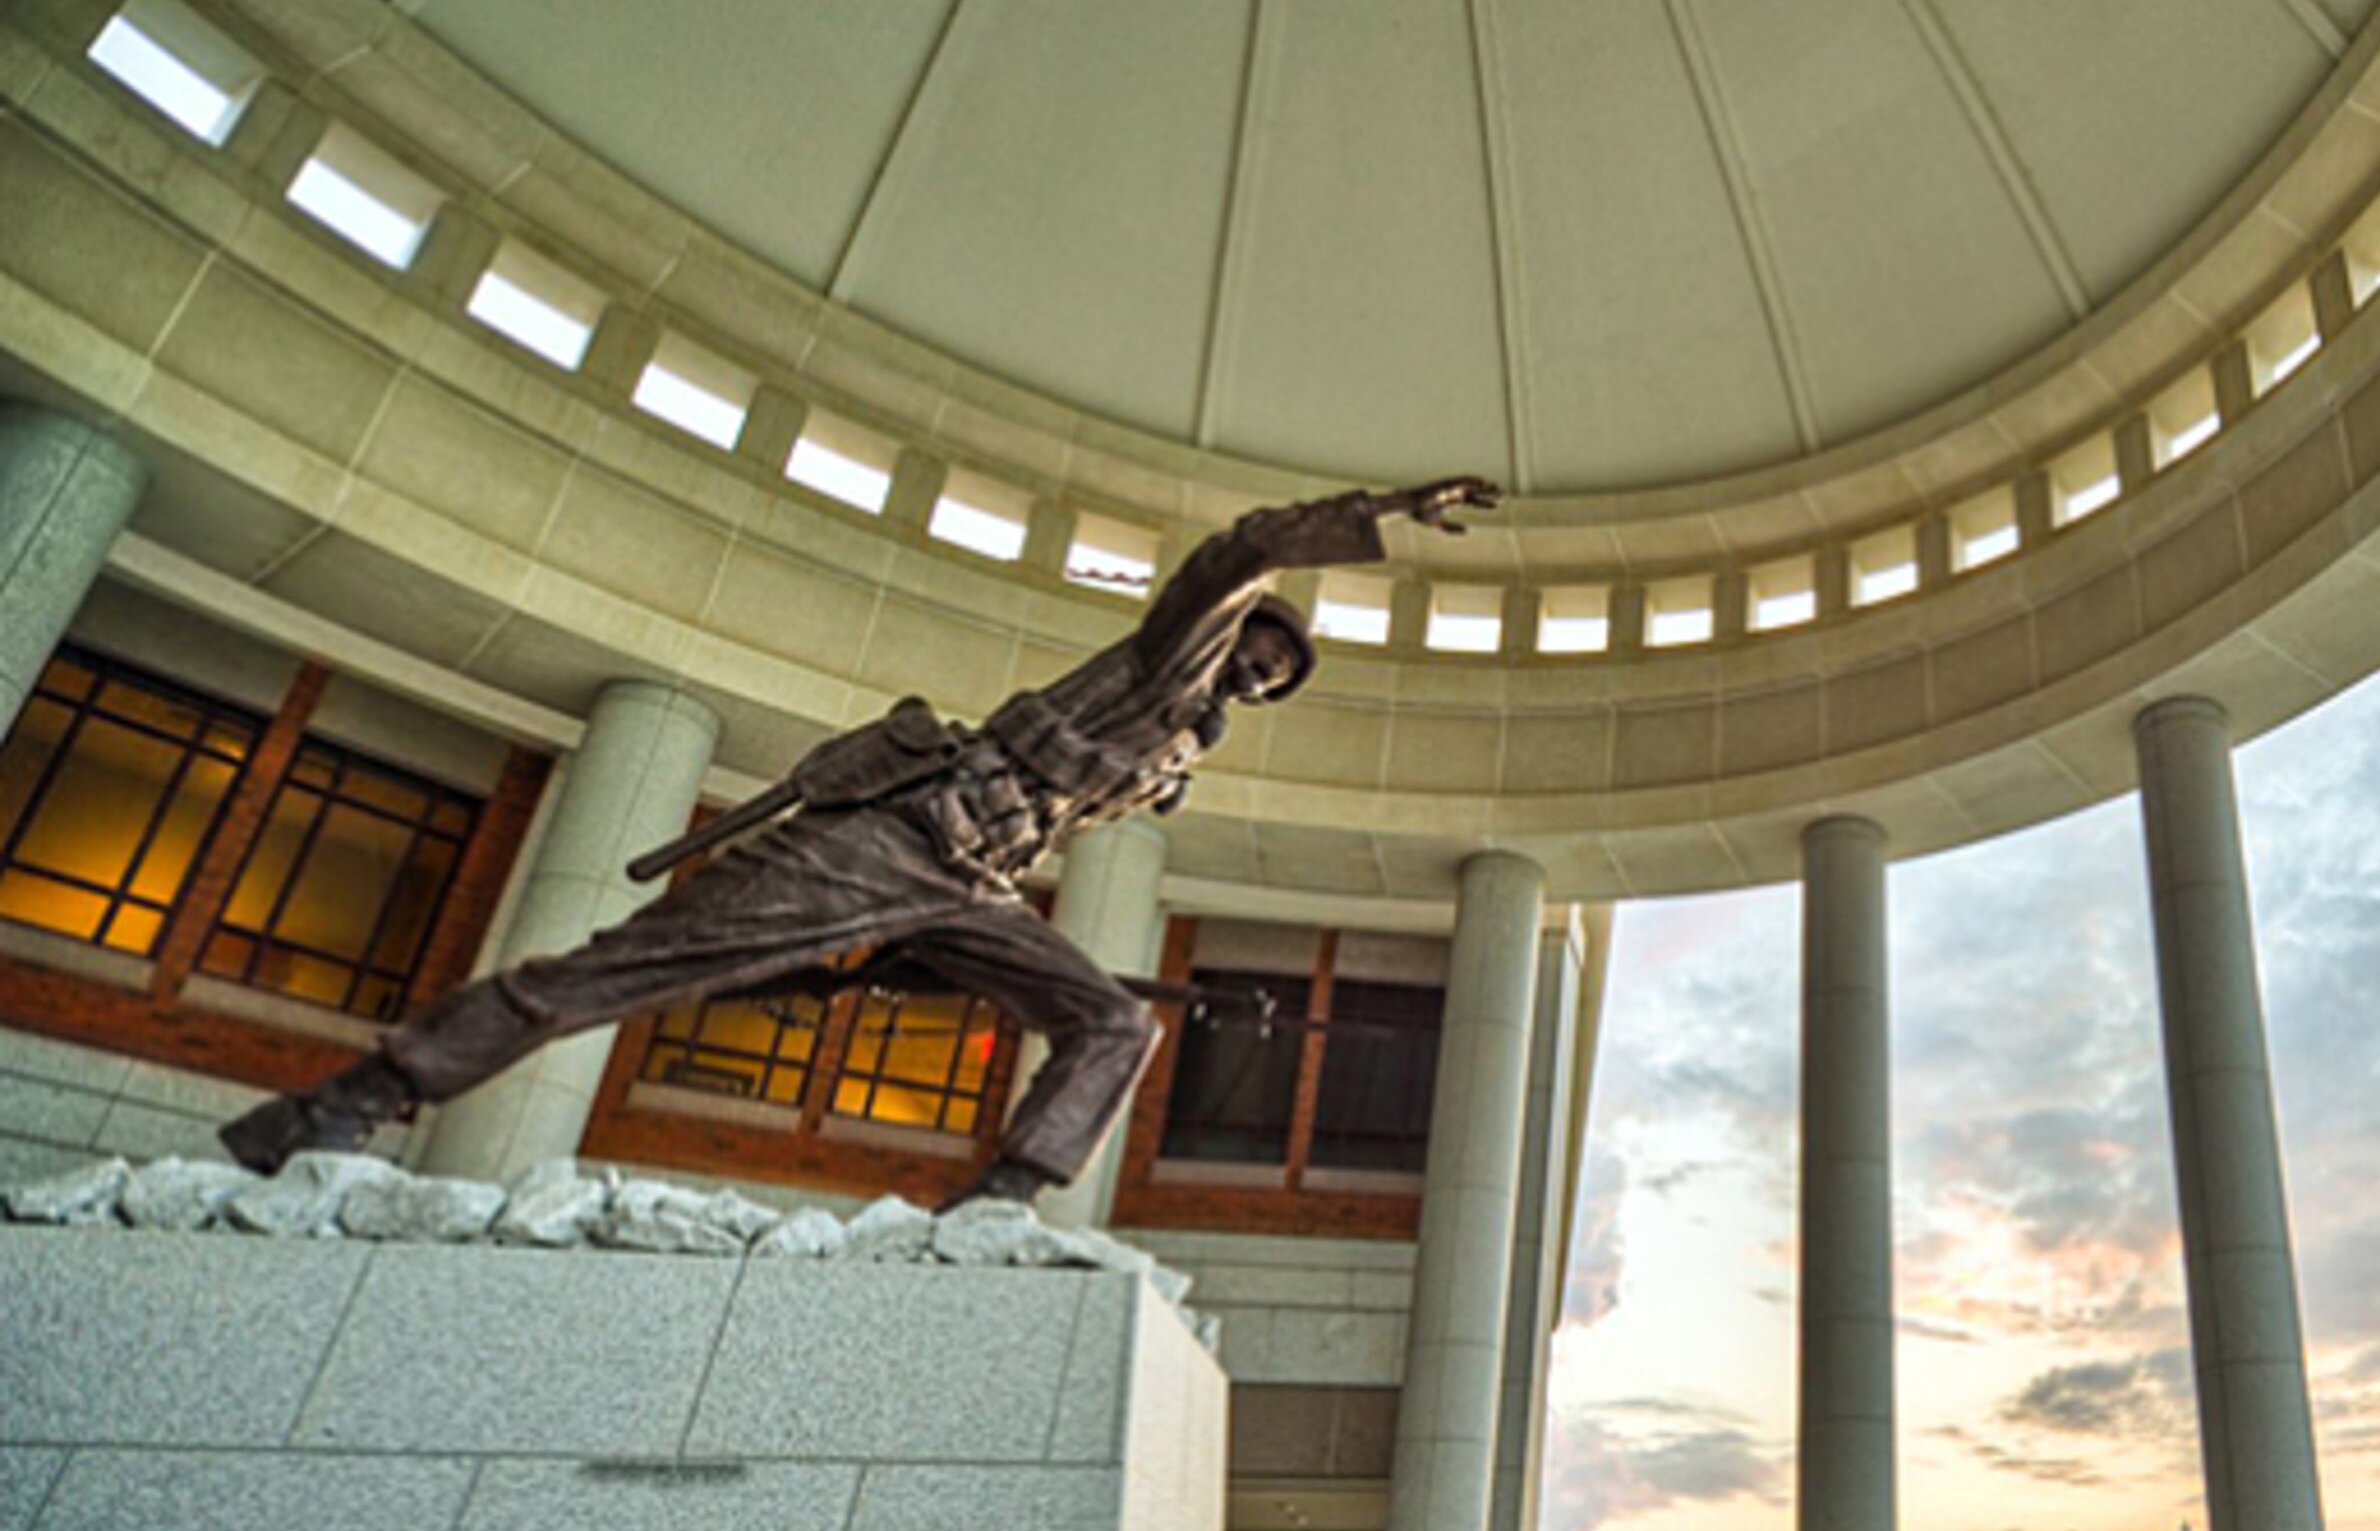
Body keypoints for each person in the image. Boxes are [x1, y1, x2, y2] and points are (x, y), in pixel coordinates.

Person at [220, 475, 1499, 1204]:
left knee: (1117, 1020)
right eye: (1259, 652)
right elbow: (1245, 551)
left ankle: (1000, 1207)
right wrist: (1381, 509)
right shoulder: (1162, 666)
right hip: (889, 844)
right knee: (622, 975)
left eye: (1278, 676)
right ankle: (349, 1102)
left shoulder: (1171, 756)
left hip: (973, 888)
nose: (1261, 675)